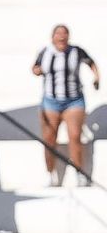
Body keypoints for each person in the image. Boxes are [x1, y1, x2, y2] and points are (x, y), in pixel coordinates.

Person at [33, 25, 99, 187]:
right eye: (58, 33)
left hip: (74, 100)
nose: (62, 36)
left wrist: (97, 78)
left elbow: (91, 63)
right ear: (52, 37)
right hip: (51, 101)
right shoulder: (45, 52)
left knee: (75, 136)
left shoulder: (76, 51)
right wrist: (38, 71)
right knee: (49, 138)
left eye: (65, 33)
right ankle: (50, 175)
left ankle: (79, 173)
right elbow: (35, 68)